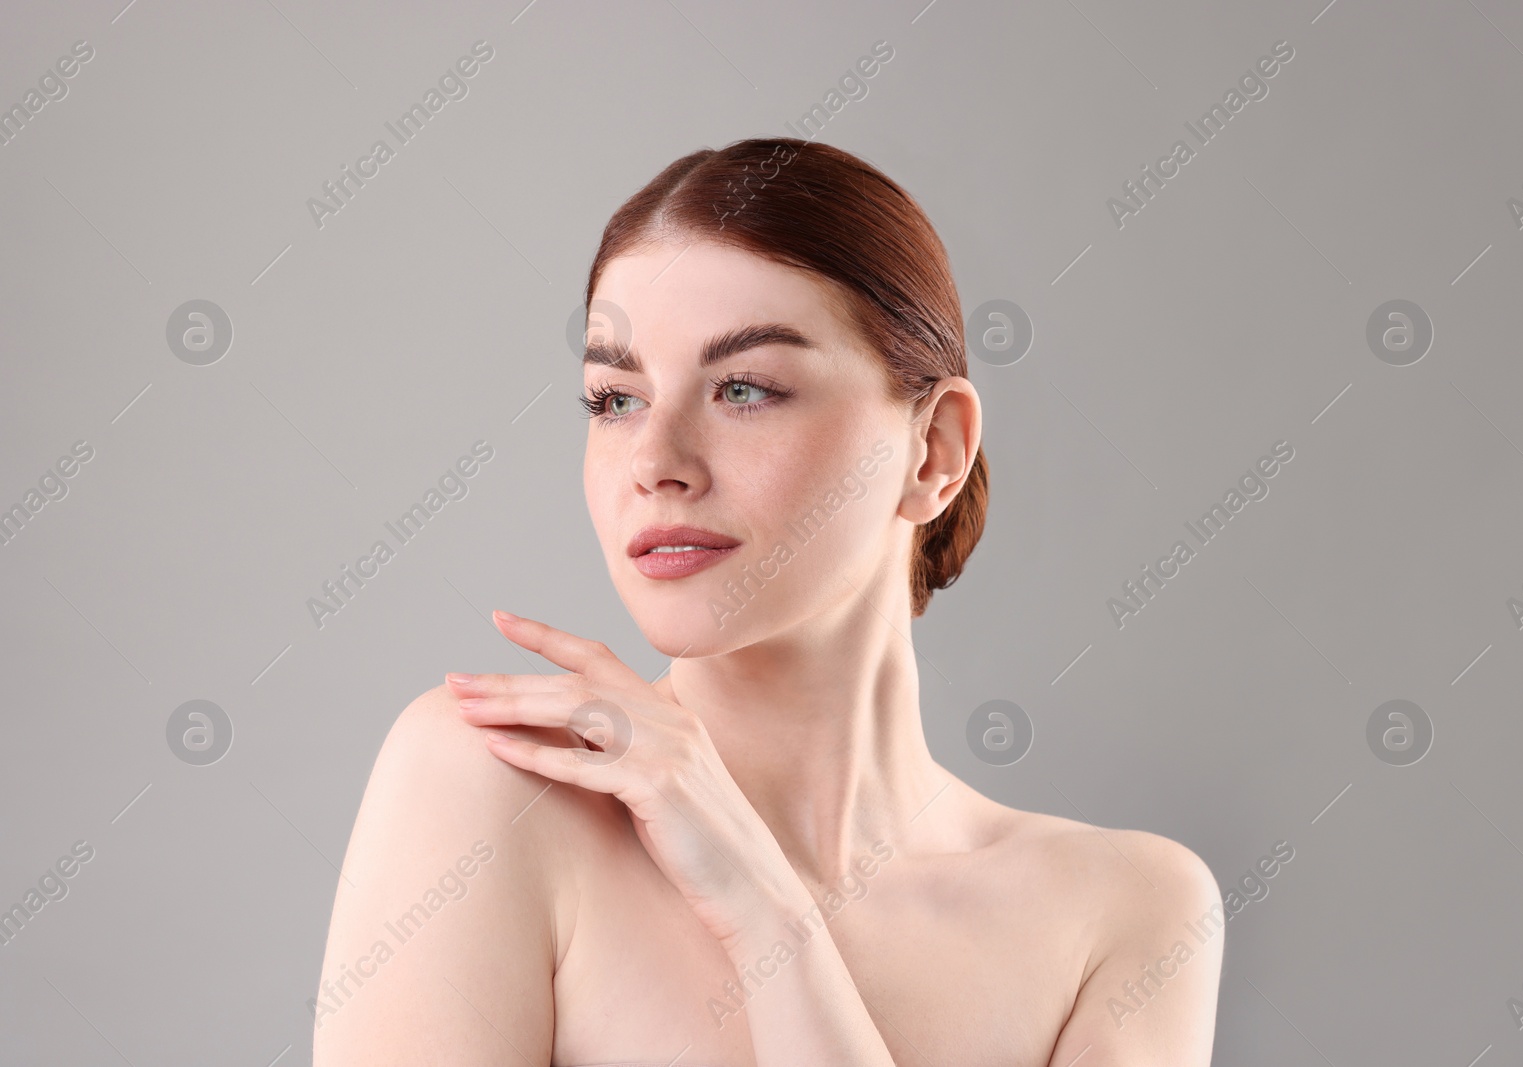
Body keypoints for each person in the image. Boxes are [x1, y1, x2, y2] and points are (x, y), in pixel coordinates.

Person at [313, 137, 1223, 1066]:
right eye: (615, 399)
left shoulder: (1128, 913)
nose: (656, 462)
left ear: (934, 451)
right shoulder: (494, 783)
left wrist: (766, 909)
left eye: (743, 388)